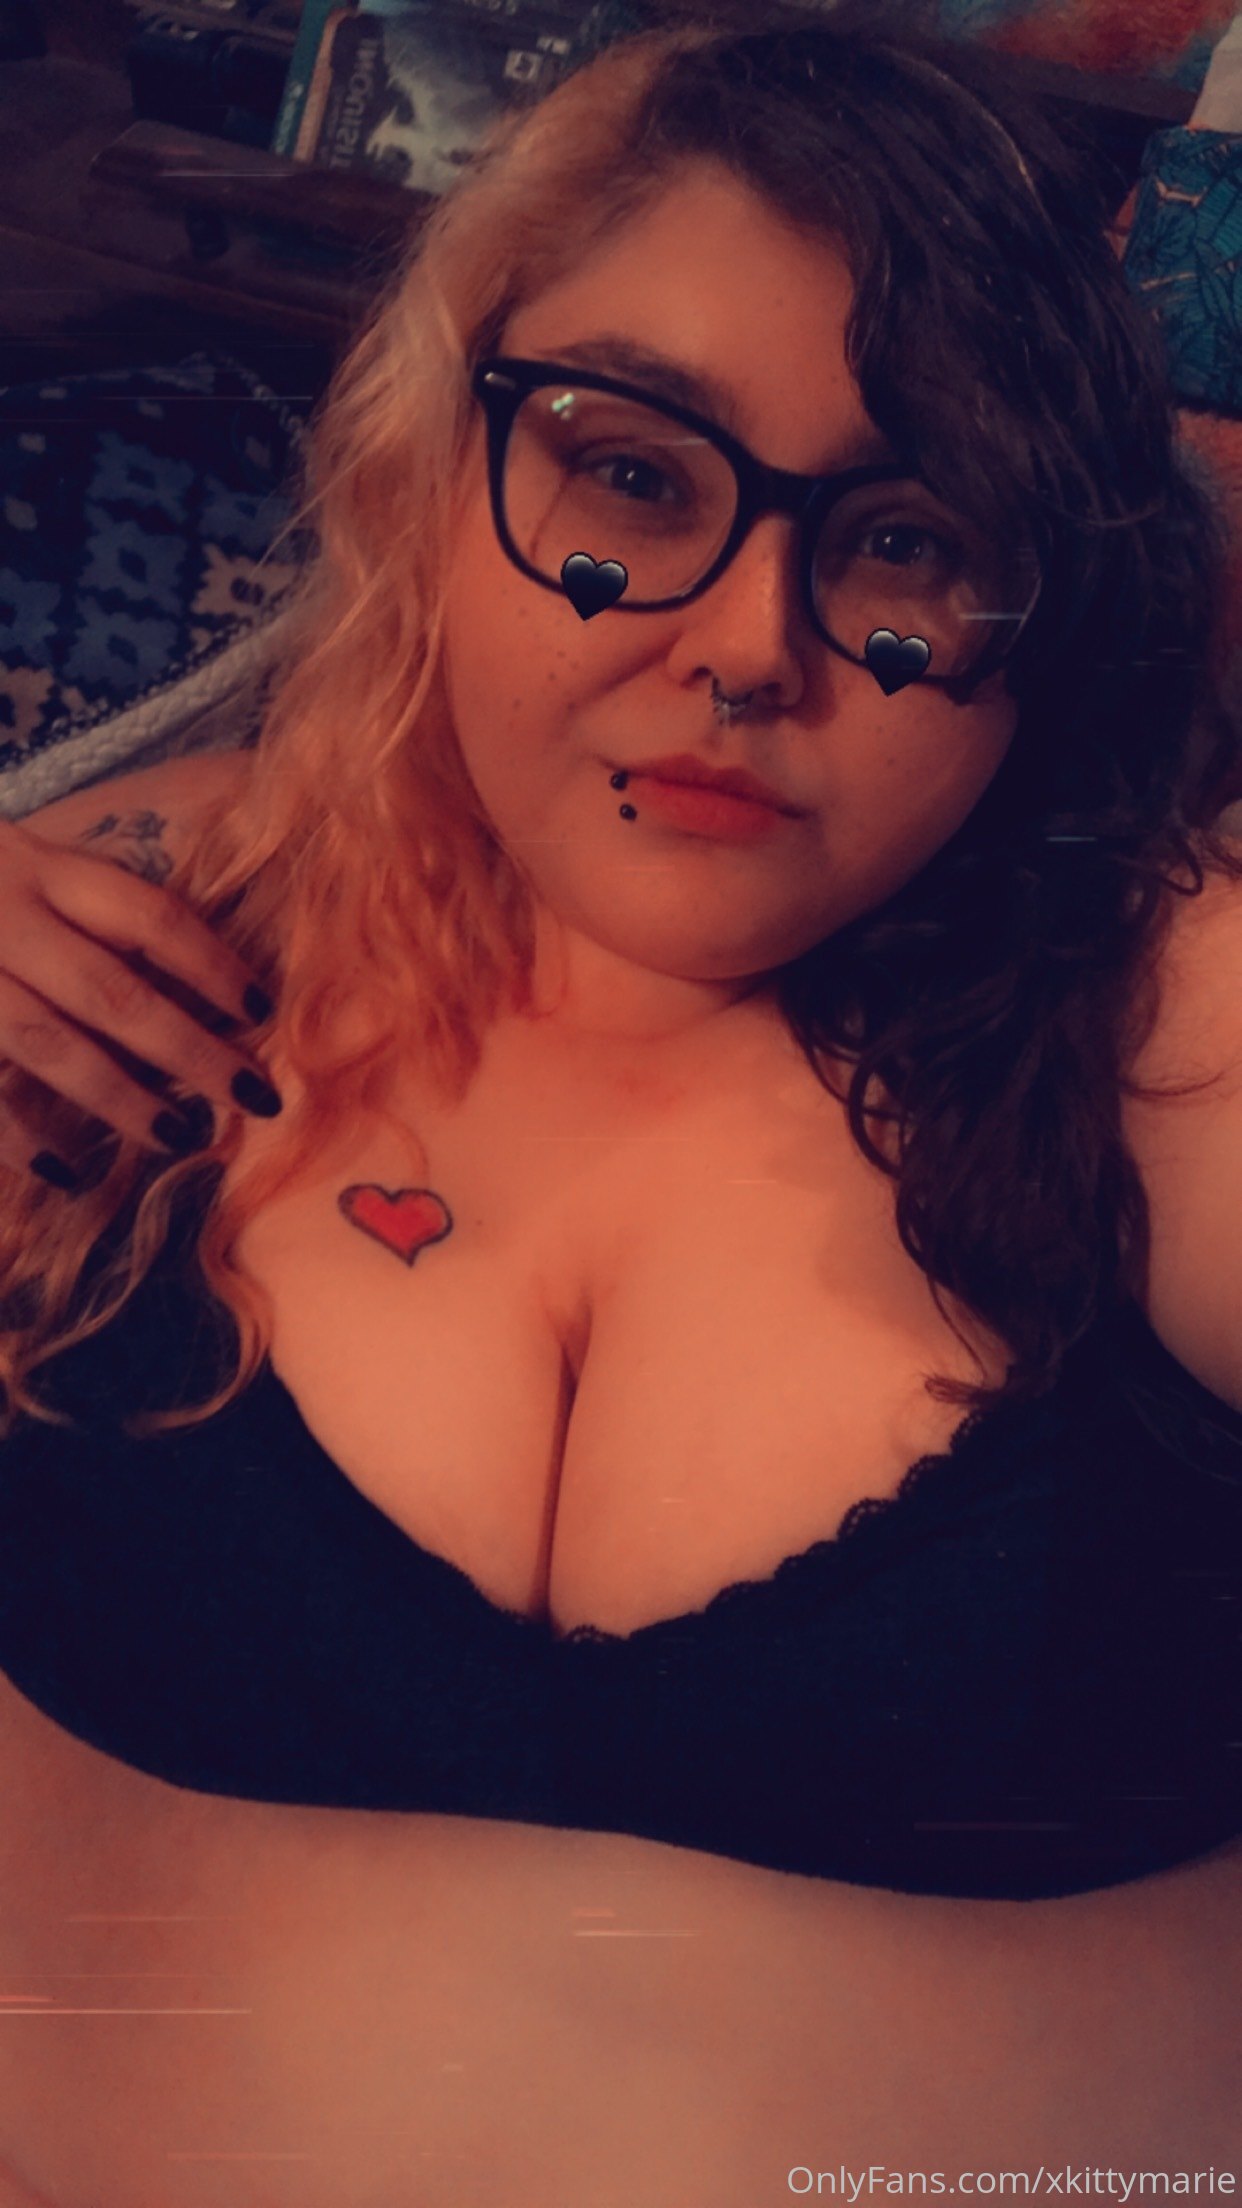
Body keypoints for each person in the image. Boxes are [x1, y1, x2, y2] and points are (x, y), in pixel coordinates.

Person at [0, 1, 1240, 2199]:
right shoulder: (132, 922)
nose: (749, 642)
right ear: (434, 466)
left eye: (911, 537)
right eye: (635, 469)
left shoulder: (1164, 1017)